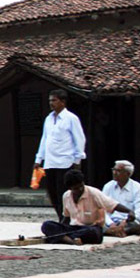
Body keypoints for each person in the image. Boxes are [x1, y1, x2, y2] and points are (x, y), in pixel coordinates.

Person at [41, 169, 136, 245]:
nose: (80, 189)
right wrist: (61, 228)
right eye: (76, 188)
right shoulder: (66, 196)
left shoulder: (94, 193)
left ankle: (64, 238)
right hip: (74, 228)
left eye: (81, 186)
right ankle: (70, 240)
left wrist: (129, 211)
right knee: (47, 225)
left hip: (90, 228)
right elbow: (66, 217)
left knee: (93, 233)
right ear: (70, 188)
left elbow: (113, 204)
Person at [34, 89, 86, 218]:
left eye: (54, 100)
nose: (51, 103)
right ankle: (60, 218)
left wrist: (77, 160)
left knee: (63, 193)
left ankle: (68, 218)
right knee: (52, 193)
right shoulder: (49, 119)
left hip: (65, 161)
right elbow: (45, 139)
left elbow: (79, 139)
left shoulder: (71, 118)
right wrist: (39, 159)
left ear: (62, 102)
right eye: (50, 101)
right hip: (50, 162)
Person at [102, 160, 140, 237]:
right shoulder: (108, 186)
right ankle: (115, 231)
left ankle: (113, 231)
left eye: (118, 171)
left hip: (128, 222)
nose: (114, 173)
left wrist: (125, 222)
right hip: (110, 221)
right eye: (114, 170)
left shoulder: (137, 187)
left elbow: (139, 210)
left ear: (128, 174)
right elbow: (102, 208)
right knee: (93, 223)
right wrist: (111, 223)